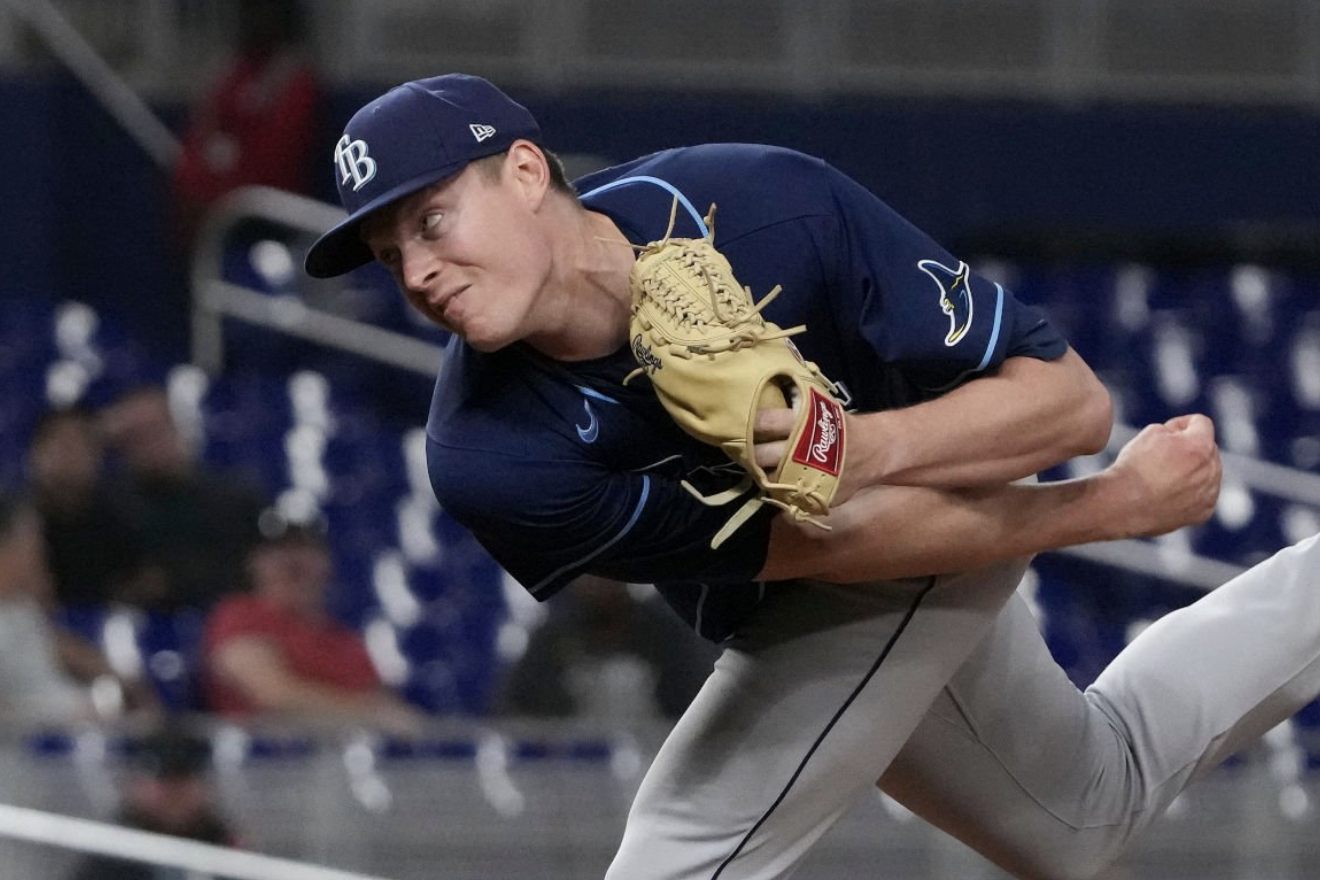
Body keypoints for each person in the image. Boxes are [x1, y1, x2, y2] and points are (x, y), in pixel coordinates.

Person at [300, 74, 1317, 880]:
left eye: (431, 222)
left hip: (938, 514)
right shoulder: (489, 455)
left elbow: (1069, 403)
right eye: (390, 255)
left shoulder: (762, 205)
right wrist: (1099, 508)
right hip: (819, 576)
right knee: (1082, 814)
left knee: (681, 849)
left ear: (526, 171)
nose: (417, 273)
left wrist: (857, 450)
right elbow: (824, 548)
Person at [200, 516, 424, 736]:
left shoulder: (345, 640)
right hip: (265, 754)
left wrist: (385, 716)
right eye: (278, 550)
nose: (292, 563)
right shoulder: (239, 615)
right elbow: (272, 694)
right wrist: (369, 714)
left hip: (347, 753)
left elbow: (387, 706)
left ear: (327, 563)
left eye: (304, 549)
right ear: (254, 563)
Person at [170, 0, 321, 250]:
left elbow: (277, 164)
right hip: (213, 216)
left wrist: (221, 198)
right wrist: (195, 191)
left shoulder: (294, 80)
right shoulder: (228, 74)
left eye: (262, 8)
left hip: (266, 222)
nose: (254, 17)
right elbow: (196, 143)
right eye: (248, 7)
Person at [101, 384, 267, 612]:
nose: (149, 445)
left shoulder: (234, 499)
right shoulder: (110, 507)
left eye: (155, 430)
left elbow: (256, 573)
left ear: (176, 428)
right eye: (135, 437)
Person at [0, 492, 157, 726]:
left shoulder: (21, 611)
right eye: (30, 542)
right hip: (28, 739)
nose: (39, 552)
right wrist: (90, 712)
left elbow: (57, 647)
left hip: (69, 728)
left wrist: (122, 680)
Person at [492, 574, 722, 722]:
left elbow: (699, 707)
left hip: (654, 760)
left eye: (604, 572)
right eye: (585, 573)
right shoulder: (551, 639)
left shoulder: (667, 636)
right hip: (570, 769)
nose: (596, 583)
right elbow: (517, 712)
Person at [67, 722, 239, 880]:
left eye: (184, 781)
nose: (174, 793)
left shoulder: (227, 851)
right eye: (163, 781)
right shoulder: (112, 854)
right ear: (135, 785)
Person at [24, 406, 157, 610]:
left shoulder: (125, 517)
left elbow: (148, 581)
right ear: (36, 453)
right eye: (61, 443)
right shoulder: (14, 522)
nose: (70, 454)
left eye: (82, 443)